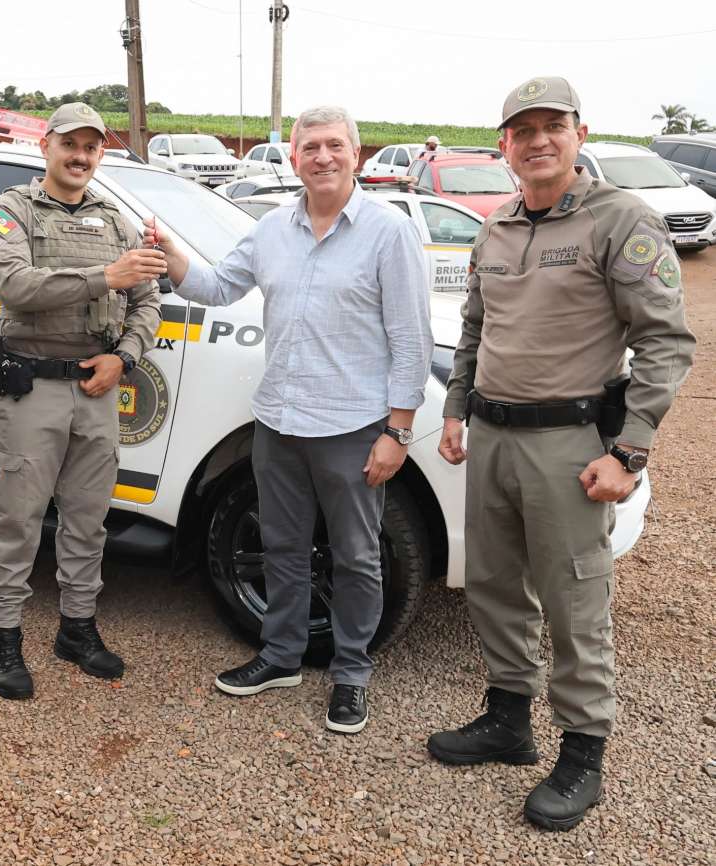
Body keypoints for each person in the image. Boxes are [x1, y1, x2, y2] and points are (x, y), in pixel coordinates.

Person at [427, 77, 695, 831]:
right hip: (495, 439)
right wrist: (454, 411)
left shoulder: (621, 221)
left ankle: (583, 754)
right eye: (523, 130)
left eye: (553, 126)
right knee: (492, 585)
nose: (538, 140)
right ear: (505, 144)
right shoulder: (498, 226)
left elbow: (666, 343)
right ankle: (509, 719)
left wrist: (628, 453)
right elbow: (474, 330)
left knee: (575, 601)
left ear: (580, 133)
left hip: (571, 447)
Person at [151, 105, 432, 735]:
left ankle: (352, 673)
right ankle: (279, 657)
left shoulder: (389, 233)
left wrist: (398, 431)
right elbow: (219, 286)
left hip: (352, 428)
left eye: (335, 146)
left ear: (356, 156)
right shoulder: (271, 229)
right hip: (277, 423)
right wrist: (169, 250)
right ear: (294, 157)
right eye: (311, 147)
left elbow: (410, 340)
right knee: (283, 546)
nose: (323, 157)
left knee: (358, 556)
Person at [0, 102, 163, 700]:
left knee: (88, 520)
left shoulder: (116, 220)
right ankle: (4, 638)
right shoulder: (11, 211)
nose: (80, 157)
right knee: (18, 520)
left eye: (91, 147)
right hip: (33, 388)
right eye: (69, 145)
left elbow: (149, 299)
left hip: (97, 387)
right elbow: (16, 286)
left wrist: (125, 357)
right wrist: (107, 277)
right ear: (46, 147)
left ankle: (77, 629)